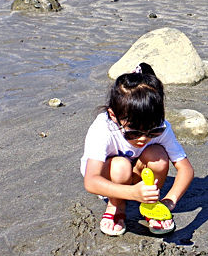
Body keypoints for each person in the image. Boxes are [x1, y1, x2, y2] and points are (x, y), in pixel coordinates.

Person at [82, 63, 193, 236]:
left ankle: (151, 205)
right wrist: (132, 193)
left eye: (152, 130)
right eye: (134, 132)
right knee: (120, 166)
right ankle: (116, 205)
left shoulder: (161, 126)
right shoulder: (103, 129)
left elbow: (185, 169)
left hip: (138, 175)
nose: (143, 138)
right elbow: (91, 181)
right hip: (109, 177)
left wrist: (169, 201)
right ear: (113, 116)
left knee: (158, 156)